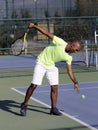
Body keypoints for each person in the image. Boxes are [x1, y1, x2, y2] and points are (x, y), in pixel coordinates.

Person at [20, 23, 83, 116]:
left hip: (51, 66)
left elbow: (69, 71)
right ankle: (24, 105)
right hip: (41, 62)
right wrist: (34, 26)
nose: (76, 51)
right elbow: (46, 33)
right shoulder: (60, 42)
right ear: (72, 45)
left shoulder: (69, 57)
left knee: (54, 87)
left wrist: (75, 82)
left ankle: (53, 108)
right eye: (76, 49)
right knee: (34, 85)